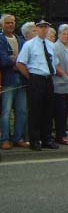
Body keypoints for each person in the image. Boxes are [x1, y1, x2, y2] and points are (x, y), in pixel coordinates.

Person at [16, 18, 59, 151]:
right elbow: (20, 63)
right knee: (35, 111)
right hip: (36, 78)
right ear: (36, 28)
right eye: (41, 27)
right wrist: (31, 77)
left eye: (46, 27)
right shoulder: (29, 45)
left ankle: (47, 139)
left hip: (48, 79)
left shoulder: (51, 45)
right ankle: (35, 140)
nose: (44, 29)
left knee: (48, 110)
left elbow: (55, 62)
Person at [0, 14, 28, 149]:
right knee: (6, 111)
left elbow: (26, 58)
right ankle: (5, 139)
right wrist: (17, 62)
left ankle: (18, 138)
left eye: (12, 22)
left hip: (21, 78)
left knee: (22, 110)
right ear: (2, 25)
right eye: (7, 23)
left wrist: (14, 59)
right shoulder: (0, 39)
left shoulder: (20, 39)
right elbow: (3, 60)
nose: (10, 25)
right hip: (8, 79)